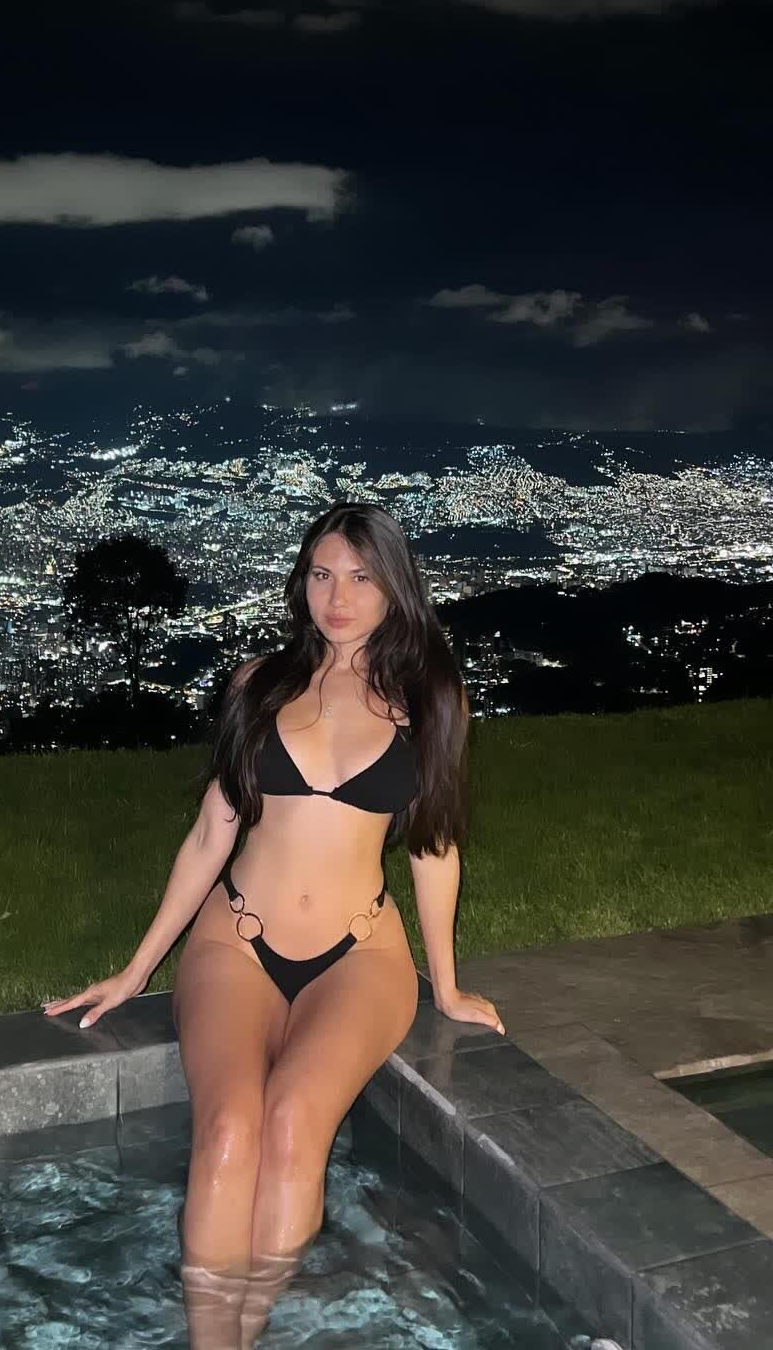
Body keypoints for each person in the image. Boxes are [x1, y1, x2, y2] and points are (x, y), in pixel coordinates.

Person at [41, 502, 505, 1347]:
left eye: (361, 577)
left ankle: (244, 1330)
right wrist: (138, 969)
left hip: (358, 953)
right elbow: (211, 834)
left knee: (293, 1125)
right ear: (301, 583)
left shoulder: (432, 699)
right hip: (238, 942)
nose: (339, 597)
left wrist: (446, 985)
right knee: (227, 1131)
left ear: (395, 588)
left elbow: (434, 848)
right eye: (322, 575)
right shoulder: (258, 684)